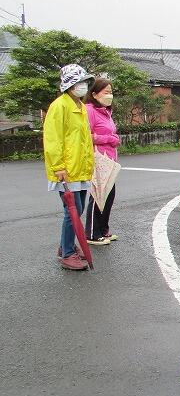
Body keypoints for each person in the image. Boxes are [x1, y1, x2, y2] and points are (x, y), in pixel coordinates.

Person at [44, 64, 95, 271]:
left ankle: (66, 246)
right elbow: (53, 139)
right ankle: (67, 253)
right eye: (79, 82)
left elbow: (83, 140)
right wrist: (58, 167)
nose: (83, 86)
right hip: (67, 170)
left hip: (79, 169)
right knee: (72, 211)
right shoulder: (60, 106)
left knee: (77, 209)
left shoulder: (80, 107)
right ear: (70, 84)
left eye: (84, 82)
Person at [84, 78, 120, 245]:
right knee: (97, 195)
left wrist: (113, 139)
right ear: (94, 94)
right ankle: (92, 233)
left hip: (110, 160)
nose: (109, 95)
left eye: (110, 92)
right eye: (105, 92)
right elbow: (86, 136)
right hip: (97, 159)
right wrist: (109, 139)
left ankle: (104, 229)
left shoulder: (106, 112)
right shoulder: (90, 110)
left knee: (109, 195)